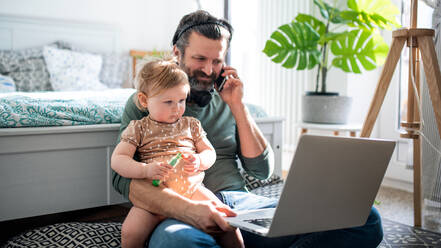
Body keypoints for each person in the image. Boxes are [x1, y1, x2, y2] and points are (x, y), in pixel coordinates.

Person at [112, 10, 384, 247]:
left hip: (239, 206)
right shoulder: (148, 103)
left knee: (364, 217)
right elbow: (122, 179)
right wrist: (189, 210)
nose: (209, 70)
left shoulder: (228, 99)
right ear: (177, 53)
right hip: (177, 208)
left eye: (217, 61)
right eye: (199, 59)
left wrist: (238, 106)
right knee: (180, 242)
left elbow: (261, 170)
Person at [111, 59, 244, 248]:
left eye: (181, 100)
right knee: (130, 232)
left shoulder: (190, 124)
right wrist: (145, 170)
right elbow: (118, 160)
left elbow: (209, 152)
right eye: (168, 102)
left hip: (192, 190)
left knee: (227, 222)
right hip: (155, 197)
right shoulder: (138, 128)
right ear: (143, 100)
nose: (177, 108)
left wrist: (199, 161)